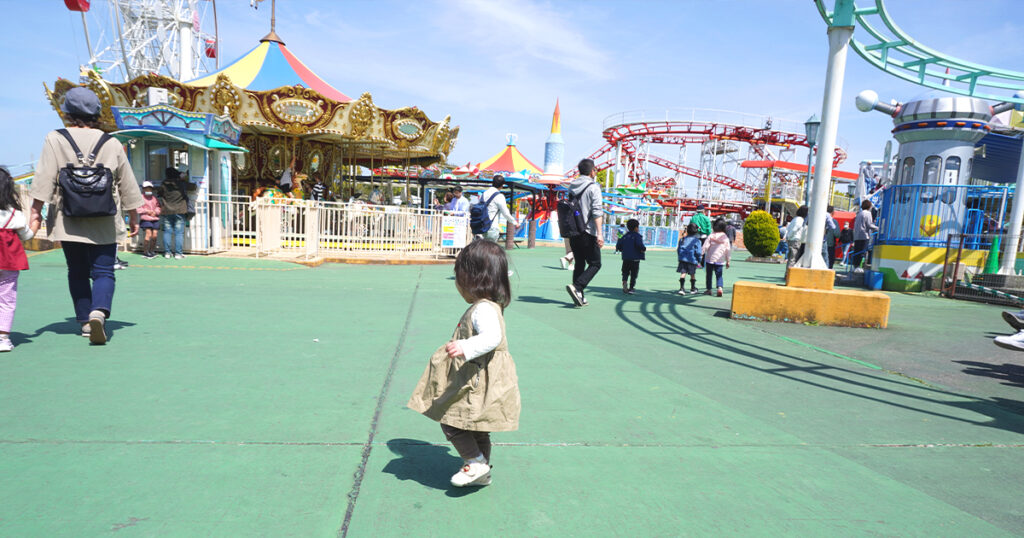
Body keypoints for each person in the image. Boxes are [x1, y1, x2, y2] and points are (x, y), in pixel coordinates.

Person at [28, 86, 144, 345]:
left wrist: (35, 212)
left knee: (77, 271)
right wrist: (134, 214)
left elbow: (45, 177)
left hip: (68, 217)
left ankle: (83, 321)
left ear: (67, 111)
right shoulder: (111, 142)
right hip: (105, 216)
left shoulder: (55, 138)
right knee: (104, 271)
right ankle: (98, 312)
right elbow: (126, 181)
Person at [406, 240, 520, 488]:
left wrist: (465, 347)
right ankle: (482, 469)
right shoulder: (492, 305)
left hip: (477, 379)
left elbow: (492, 338)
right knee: (478, 427)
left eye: (458, 277)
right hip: (486, 376)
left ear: (472, 279)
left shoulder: (482, 309)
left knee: (451, 419)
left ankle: (475, 461)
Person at [0, 167, 33, 352]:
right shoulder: (15, 214)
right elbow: (26, 236)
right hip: (9, 262)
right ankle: (3, 338)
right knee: (6, 299)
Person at [565, 159, 604, 307]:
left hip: (574, 230)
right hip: (588, 231)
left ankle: (579, 295)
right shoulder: (593, 187)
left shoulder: (571, 186)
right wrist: (599, 233)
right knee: (595, 263)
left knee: (579, 263)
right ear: (592, 171)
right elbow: (597, 211)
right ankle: (578, 287)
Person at [158, 168, 195, 259]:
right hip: (180, 211)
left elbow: (159, 193)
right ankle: (178, 253)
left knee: (167, 232)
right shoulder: (181, 184)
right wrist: (183, 178)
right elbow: (193, 187)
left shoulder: (163, 184)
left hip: (167, 211)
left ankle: (167, 253)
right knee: (179, 233)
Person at [476, 175, 518, 242]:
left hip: (482, 225)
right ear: (502, 185)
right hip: (492, 226)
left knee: (483, 249)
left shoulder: (484, 194)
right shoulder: (499, 196)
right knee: (491, 250)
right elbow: (506, 213)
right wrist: (515, 222)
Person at [615, 218, 646, 294]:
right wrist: (643, 249)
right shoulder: (637, 236)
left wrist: (623, 250)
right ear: (636, 228)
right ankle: (631, 288)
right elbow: (639, 245)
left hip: (626, 257)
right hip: (635, 258)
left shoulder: (625, 236)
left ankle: (624, 281)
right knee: (634, 273)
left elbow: (618, 245)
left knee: (625, 271)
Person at [702, 218, 732, 297]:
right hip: (720, 260)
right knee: (719, 275)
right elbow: (728, 250)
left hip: (710, 259)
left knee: (709, 275)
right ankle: (720, 288)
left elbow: (705, 246)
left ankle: (709, 290)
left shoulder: (711, 235)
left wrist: (701, 253)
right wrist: (728, 260)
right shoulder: (725, 237)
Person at [137, 180, 161, 258]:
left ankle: (151, 250)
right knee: (148, 234)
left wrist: (156, 212)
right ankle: (145, 251)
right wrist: (147, 211)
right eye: (146, 189)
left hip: (155, 218)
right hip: (146, 218)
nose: (148, 190)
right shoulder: (140, 198)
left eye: (150, 189)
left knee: (155, 235)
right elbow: (138, 209)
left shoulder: (154, 198)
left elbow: (158, 207)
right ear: (143, 189)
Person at [676, 222, 702, 295]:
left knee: (683, 273)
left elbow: (678, 250)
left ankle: (681, 288)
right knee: (692, 274)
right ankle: (693, 288)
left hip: (683, 260)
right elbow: (698, 252)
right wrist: (699, 260)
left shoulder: (682, 239)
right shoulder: (697, 241)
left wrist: (680, 257)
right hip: (692, 259)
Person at [852, 199, 878, 271]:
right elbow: (869, 225)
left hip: (857, 235)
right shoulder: (868, 213)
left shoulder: (859, 213)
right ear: (869, 206)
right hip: (864, 235)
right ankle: (859, 267)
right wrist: (878, 228)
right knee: (862, 251)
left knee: (856, 251)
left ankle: (855, 266)